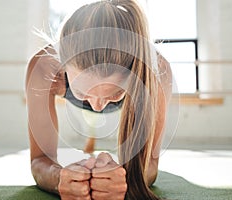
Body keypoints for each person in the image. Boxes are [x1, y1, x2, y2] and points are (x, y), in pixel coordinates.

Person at [25, 0, 172, 199]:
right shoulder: (44, 67)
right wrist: (60, 178)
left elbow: (151, 164)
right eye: (82, 92)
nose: (97, 106)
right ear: (62, 63)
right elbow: (39, 160)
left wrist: (127, 180)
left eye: (114, 94)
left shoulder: (157, 73)